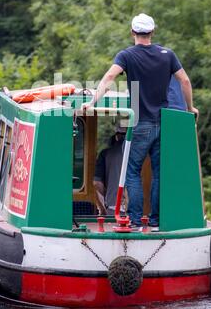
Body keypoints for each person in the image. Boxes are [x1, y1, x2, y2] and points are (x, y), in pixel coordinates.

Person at [83, 13, 198, 230]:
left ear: (132, 32)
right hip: (164, 123)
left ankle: (136, 221)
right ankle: (155, 222)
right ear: (152, 32)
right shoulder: (168, 55)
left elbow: (109, 78)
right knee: (158, 172)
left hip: (142, 123)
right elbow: (185, 80)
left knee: (132, 171)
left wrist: (92, 101)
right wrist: (189, 107)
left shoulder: (127, 56)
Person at [94, 126, 126, 215]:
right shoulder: (142, 153)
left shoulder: (105, 154)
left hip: (114, 207)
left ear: (117, 136)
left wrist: (103, 206)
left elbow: (97, 183)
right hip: (139, 211)